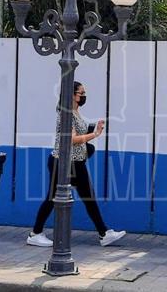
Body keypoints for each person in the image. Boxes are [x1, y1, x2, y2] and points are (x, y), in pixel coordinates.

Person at [27, 82, 126, 247]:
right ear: (72, 94)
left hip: (75, 162)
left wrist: (92, 130)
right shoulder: (65, 113)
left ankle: (104, 233)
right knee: (53, 198)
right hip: (64, 162)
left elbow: (78, 135)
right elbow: (71, 139)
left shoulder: (75, 112)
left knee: (87, 197)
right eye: (81, 93)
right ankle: (35, 233)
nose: (84, 96)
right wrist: (94, 134)